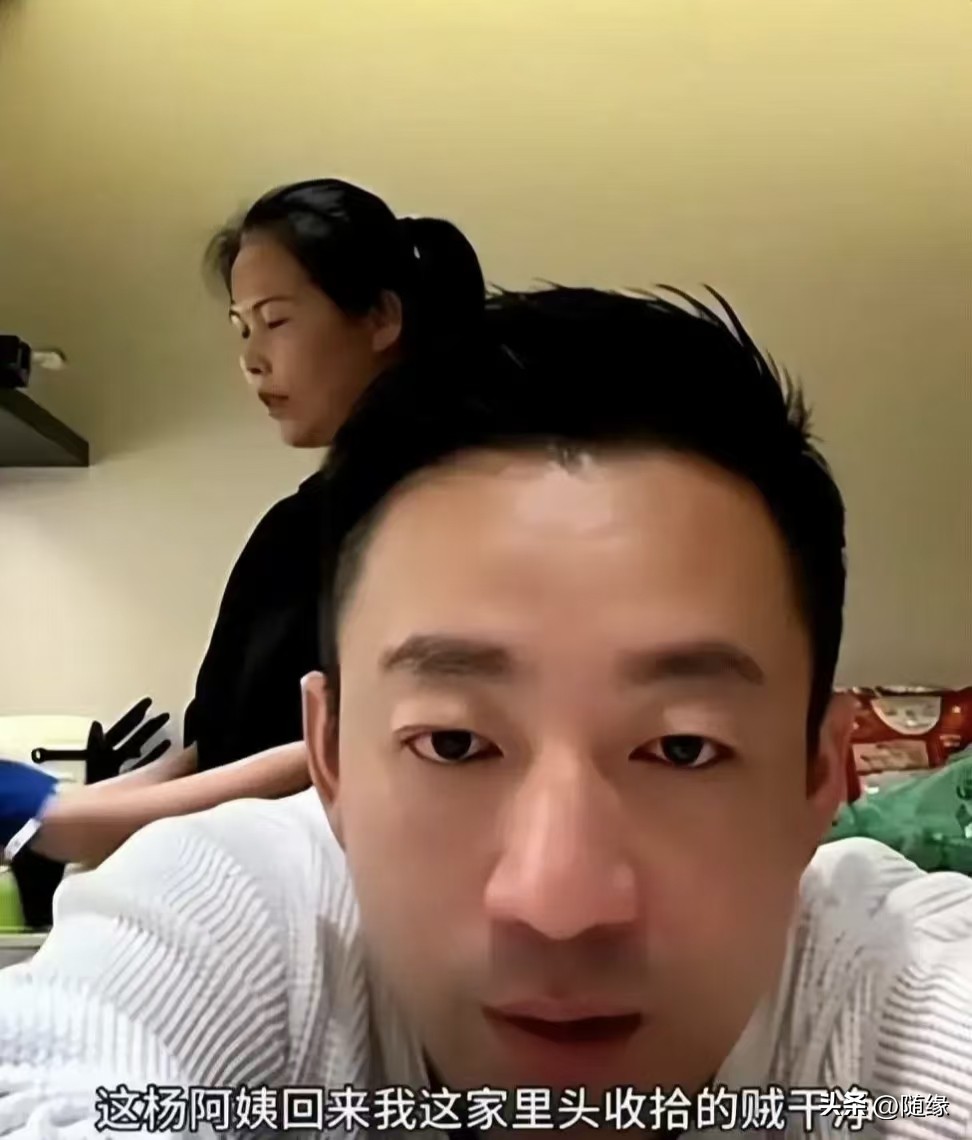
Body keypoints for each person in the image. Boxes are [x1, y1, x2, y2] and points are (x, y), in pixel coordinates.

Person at [3, 286, 972, 1138]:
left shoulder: (893, 998)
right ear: (330, 756)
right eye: (455, 742)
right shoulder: (247, 926)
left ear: (818, 775)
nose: (558, 905)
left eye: (682, 748)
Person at [0, 178, 486, 869]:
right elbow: (220, 749)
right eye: (242, 328)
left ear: (381, 317)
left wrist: (60, 821)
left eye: (276, 320)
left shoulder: (446, 520)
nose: (253, 358)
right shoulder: (293, 528)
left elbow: (339, 755)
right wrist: (63, 810)